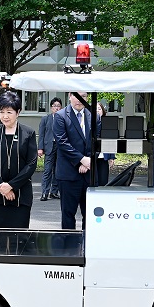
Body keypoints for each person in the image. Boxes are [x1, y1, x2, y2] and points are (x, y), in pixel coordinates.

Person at [0, 91, 37, 228]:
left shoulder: (28, 133)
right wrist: (1, 186)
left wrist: (11, 186)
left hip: (21, 195)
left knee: (19, 240)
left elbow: (31, 164)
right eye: (1, 111)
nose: (5, 116)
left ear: (18, 112)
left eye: (9, 112)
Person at [53, 91, 100, 230]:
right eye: (77, 96)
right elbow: (62, 143)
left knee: (91, 215)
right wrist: (81, 159)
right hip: (68, 174)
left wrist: (88, 161)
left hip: (89, 174)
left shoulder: (94, 116)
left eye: (84, 96)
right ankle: (68, 248)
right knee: (68, 215)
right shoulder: (61, 116)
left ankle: (89, 247)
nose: (80, 100)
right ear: (69, 95)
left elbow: (97, 142)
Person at [37, 96, 62, 200]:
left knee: (57, 171)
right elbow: (41, 134)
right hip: (49, 147)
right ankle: (45, 192)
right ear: (51, 107)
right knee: (47, 171)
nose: (56, 108)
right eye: (54, 106)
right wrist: (40, 148)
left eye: (58, 106)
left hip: (60, 147)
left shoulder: (64, 118)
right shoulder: (45, 119)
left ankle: (54, 192)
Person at [94, 101, 115, 186]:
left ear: (103, 110)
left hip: (104, 157)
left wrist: (112, 157)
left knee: (103, 182)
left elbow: (111, 141)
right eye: (95, 109)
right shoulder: (88, 123)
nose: (97, 111)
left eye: (99, 109)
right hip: (92, 157)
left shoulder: (108, 123)